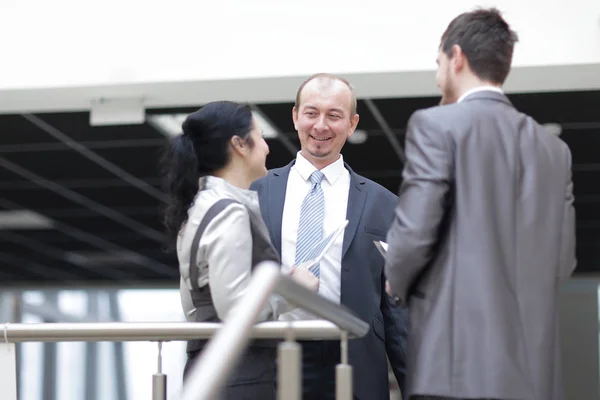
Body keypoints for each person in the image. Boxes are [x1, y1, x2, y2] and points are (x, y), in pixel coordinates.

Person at [384, 8, 576, 400]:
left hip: (455, 366)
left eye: (438, 63)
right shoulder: (554, 150)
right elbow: (563, 260)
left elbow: (415, 232)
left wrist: (395, 279)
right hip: (534, 371)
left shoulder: (436, 124)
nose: (438, 74)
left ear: (456, 57)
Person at [251, 73, 408, 400]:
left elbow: (396, 308)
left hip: (355, 358)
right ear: (295, 117)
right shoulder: (257, 192)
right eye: (311, 113)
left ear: (351, 124)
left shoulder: (385, 204)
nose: (320, 125)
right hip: (274, 354)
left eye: (334, 115)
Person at [160, 101, 319, 400]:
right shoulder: (228, 212)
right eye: (260, 137)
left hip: (213, 367)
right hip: (239, 375)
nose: (267, 148)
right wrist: (294, 291)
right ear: (239, 145)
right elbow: (235, 309)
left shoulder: (200, 206)